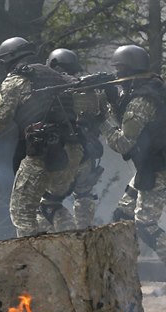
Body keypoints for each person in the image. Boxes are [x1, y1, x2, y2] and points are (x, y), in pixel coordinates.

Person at [0, 37, 83, 237]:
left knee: (22, 213)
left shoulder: (15, 80)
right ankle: (68, 251)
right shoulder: (56, 75)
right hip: (71, 151)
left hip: (44, 153)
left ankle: (32, 262)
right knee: (49, 206)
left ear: (8, 59)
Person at [98, 44, 166, 285]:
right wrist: (111, 102)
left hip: (158, 167)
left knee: (145, 224)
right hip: (155, 163)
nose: (117, 77)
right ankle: (118, 267)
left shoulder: (141, 99)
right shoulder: (151, 88)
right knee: (122, 214)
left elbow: (123, 143)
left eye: (119, 70)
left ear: (129, 70)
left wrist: (101, 120)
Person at [44, 48, 106, 229]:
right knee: (84, 195)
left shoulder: (55, 91)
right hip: (89, 151)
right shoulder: (91, 90)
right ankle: (84, 235)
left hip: (65, 153)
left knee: (49, 202)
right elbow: (102, 117)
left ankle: (66, 238)